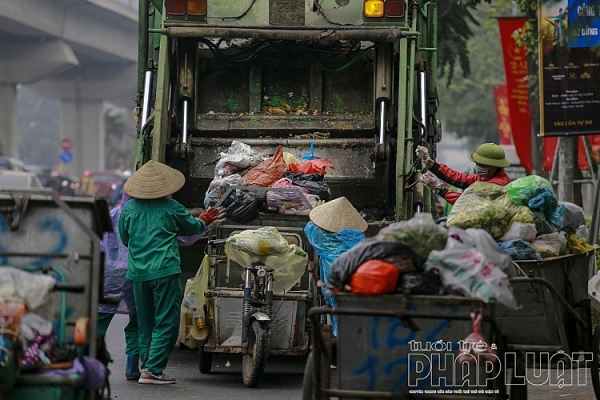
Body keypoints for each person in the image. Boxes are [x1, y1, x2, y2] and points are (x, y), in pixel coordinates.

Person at [118, 160, 224, 385]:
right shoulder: (171, 207)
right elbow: (192, 227)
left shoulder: (128, 209)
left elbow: (125, 239)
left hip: (137, 274)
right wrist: (204, 219)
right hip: (164, 270)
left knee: (145, 323)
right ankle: (154, 369)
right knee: (166, 321)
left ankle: (147, 366)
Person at [416, 143, 511, 205]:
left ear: (493, 166)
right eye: (477, 163)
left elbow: (468, 202)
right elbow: (459, 178)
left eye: (481, 164)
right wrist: (430, 162)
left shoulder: (497, 185)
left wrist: (439, 189)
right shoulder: (485, 177)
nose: (477, 165)